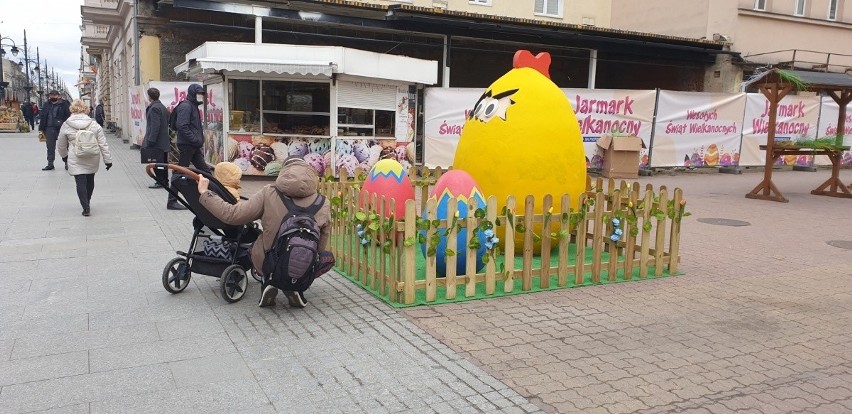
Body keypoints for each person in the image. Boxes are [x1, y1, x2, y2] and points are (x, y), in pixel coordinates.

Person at [197, 157, 334, 308]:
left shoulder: (268, 193)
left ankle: (268, 280)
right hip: (302, 263)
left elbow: (232, 215)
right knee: (327, 257)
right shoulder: (323, 202)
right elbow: (320, 246)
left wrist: (205, 193)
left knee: (254, 246)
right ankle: (296, 284)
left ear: (284, 171)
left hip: (267, 260)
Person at [57, 99, 113, 216]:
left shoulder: (66, 124)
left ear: (72, 109)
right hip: (92, 155)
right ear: (86, 110)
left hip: (75, 155)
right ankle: (88, 201)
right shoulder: (93, 124)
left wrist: (64, 156)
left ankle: (85, 206)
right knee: (90, 179)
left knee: (80, 181)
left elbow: (61, 144)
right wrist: (108, 160)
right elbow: (103, 143)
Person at [168, 83, 209, 210]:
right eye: (198, 94)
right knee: (180, 172)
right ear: (192, 94)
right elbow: (182, 126)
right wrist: (195, 139)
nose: (200, 96)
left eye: (202, 94)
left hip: (193, 145)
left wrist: (196, 141)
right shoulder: (186, 106)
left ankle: (208, 197)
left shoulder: (193, 106)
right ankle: (172, 201)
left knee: (205, 171)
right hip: (187, 145)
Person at [142, 88, 170, 189]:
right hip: (163, 141)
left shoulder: (154, 108)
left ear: (150, 97)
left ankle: (161, 182)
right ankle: (164, 181)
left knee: (156, 163)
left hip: (157, 142)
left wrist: (151, 140)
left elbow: (155, 126)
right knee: (163, 163)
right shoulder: (161, 106)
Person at [38, 90, 72, 171]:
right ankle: (50, 164)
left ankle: (67, 162)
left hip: (62, 128)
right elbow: (43, 116)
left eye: (54, 95)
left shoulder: (64, 104)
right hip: (49, 128)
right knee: (50, 147)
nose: (52, 97)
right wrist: (41, 128)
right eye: (51, 95)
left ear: (58, 96)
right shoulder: (47, 104)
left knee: (65, 146)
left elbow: (68, 115)